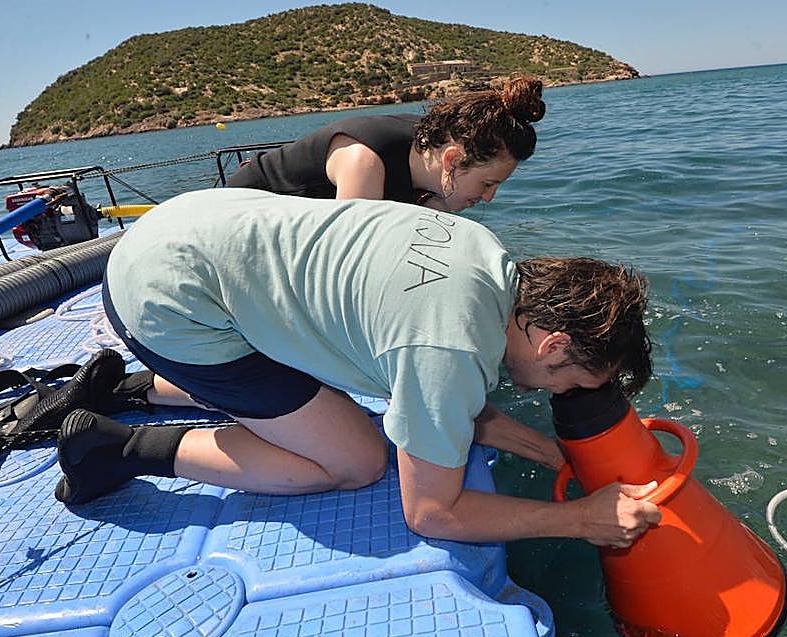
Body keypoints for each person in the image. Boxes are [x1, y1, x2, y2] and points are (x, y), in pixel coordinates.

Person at [55, 187, 660, 547]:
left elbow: (442, 388)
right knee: (356, 460)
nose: (558, 394)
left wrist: (546, 451)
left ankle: (132, 387)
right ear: (552, 345)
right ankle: (119, 445)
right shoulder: (448, 352)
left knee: (319, 385)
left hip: (179, 228)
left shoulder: (483, 251)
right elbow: (432, 514)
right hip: (165, 306)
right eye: (568, 384)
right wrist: (579, 520)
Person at [225, 76, 545, 213]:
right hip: (247, 207)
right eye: (488, 183)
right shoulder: (363, 163)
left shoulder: (430, 147)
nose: (490, 197)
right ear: (451, 160)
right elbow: (351, 264)